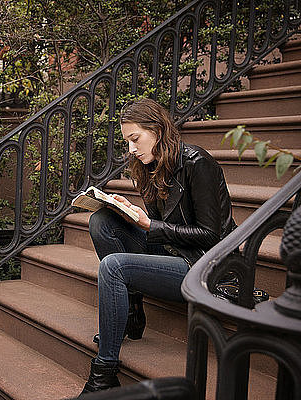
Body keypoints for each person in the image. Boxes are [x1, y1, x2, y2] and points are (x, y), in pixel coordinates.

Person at [80, 98, 236, 395]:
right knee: (102, 221)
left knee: (113, 267)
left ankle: (104, 373)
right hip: (173, 250)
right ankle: (133, 312)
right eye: (127, 142)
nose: (131, 149)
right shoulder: (151, 165)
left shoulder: (197, 162)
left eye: (135, 139)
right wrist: (127, 211)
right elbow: (163, 221)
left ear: (157, 129)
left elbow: (210, 234)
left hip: (204, 264)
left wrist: (151, 226)